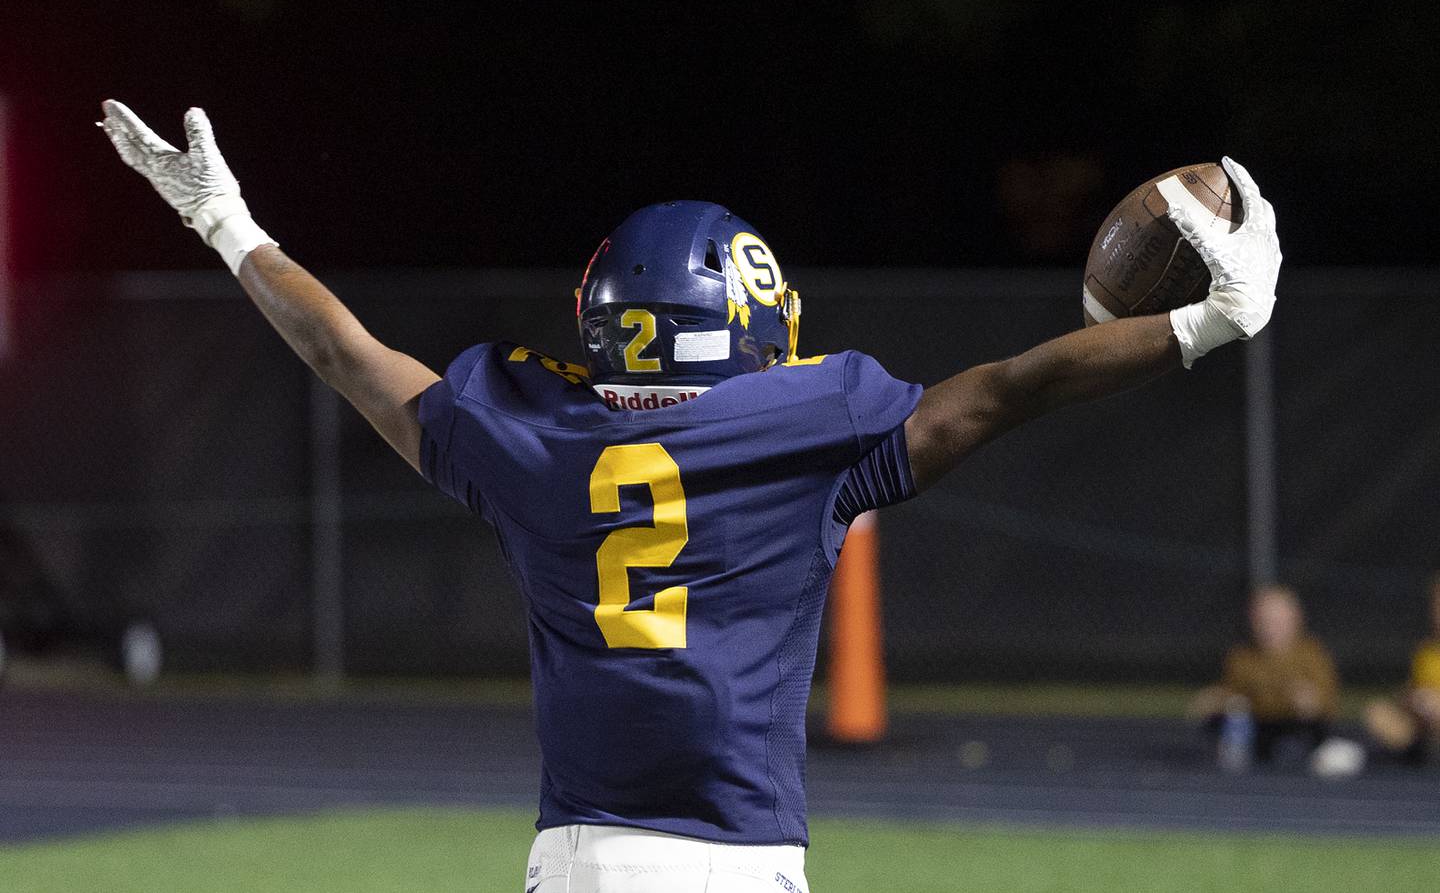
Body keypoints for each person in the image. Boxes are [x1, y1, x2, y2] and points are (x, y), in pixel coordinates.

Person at [100, 100, 1282, 893]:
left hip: (570, 856)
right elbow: (1003, 391)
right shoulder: (805, 418)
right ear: (748, 314)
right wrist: (1197, 323)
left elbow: (349, 355)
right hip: (731, 856)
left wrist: (228, 224)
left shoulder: (536, 427)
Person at [1190, 585, 1340, 770]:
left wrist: (1310, 703)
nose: (1269, 628)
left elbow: (1326, 704)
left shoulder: (1312, 655)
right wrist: (1215, 699)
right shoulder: (1242, 656)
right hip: (1258, 728)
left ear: (1294, 620)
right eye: (1263, 621)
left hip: (1294, 729)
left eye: (1276, 621)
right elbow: (1232, 694)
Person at [1365, 574, 1440, 764]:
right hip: (1423, 727)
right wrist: (1413, 700)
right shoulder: (1426, 651)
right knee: (1377, 711)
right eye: (1435, 605)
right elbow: (1410, 692)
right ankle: (1418, 755)